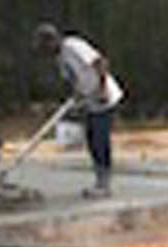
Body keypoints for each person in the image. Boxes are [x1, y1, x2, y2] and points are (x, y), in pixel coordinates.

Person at [33, 22, 125, 199]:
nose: (45, 52)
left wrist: (102, 89)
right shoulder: (60, 59)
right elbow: (75, 81)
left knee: (100, 139)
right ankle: (100, 181)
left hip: (103, 98)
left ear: (52, 40)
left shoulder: (73, 46)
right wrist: (77, 99)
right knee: (91, 140)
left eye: (45, 46)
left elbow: (100, 62)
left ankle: (104, 185)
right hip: (90, 101)